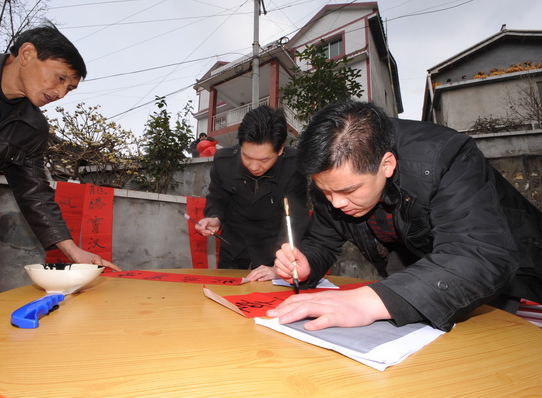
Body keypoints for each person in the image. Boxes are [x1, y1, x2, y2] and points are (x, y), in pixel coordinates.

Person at [269, 100, 542, 332]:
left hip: (517, 279)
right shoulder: (333, 184)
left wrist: (368, 301)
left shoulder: (445, 157)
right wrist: (306, 265)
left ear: (386, 164)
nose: (337, 203)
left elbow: (477, 253)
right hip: (431, 281)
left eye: (348, 190)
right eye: (325, 191)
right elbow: (321, 242)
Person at [0, 25, 120, 270]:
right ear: (26, 54)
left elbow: (34, 192)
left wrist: (72, 250)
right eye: (60, 78)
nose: (60, 93)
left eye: (69, 88)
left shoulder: (31, 129)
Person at [195, 105, 309, 281]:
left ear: (280, 150)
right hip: (233, 245)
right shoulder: (223, 161)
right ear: (240, 145)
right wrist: (214, 217)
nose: (254, 167)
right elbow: (217, 197)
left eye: (264, 160)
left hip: (274, 248)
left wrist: (279, 266)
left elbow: (294, 216)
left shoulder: (293, 166)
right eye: (247, 157)